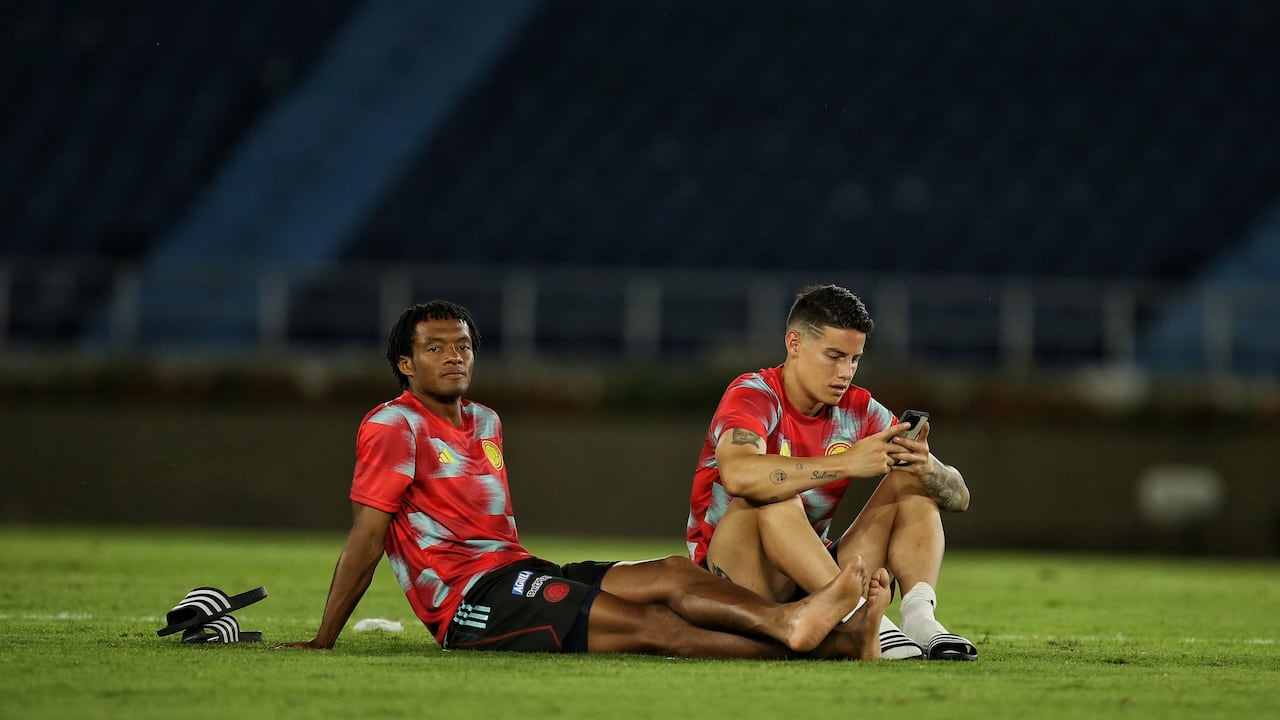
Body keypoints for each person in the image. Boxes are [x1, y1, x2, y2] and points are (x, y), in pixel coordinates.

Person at [277, 300, 890, 659]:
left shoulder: (484, 420)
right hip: (469, 603)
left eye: (463, 345)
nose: (456, 356)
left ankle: (821, 625)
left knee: (675, 574)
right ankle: (804, 629)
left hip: (515, 570)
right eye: (436, 349)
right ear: (406, 365)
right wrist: (322, 640)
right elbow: (368, 537)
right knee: (653, 629)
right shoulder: (393, 425)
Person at [685, 284, 978, 661]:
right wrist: (846, 462)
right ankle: (861, 617)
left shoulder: (858, 408)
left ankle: (919, 618)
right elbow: (740, 475)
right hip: (734, 578)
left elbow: (960, 498)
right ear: (794, 344)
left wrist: (928, 466)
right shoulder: (754, 394)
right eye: (834, 356)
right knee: (774, 494)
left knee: (910, 477)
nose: (845, 372)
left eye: (854, 359)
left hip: (812, 575)